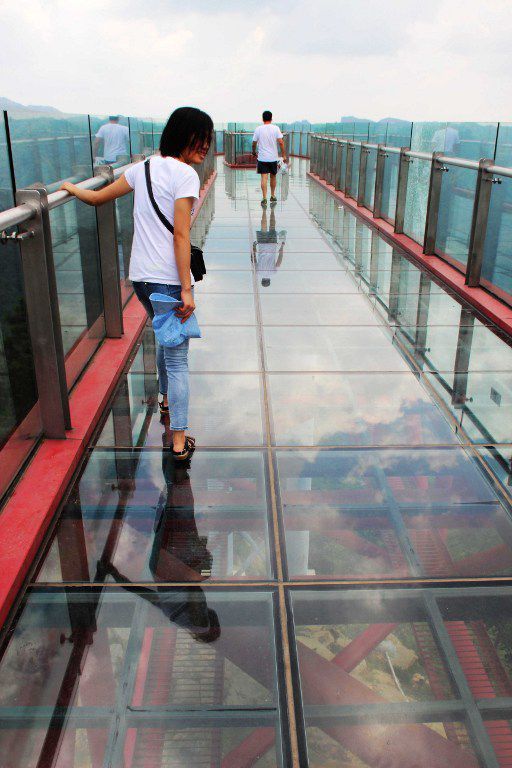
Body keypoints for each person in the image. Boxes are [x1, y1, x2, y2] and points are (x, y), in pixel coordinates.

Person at [60, 106, 214, 460]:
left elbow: (98, 198)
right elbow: (180, 234)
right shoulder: (185, 175)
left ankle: (163, 400)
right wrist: (186, 289)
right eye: (200, 138)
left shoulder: (141, 168)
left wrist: (70, 187)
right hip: (169, 281)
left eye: (208, 139)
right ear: (182, 135)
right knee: (177, 360)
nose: (205, 145)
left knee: (164, 336)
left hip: (141, 278)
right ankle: (178, 440)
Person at [252, 110, 287, 207]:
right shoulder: (276, 128)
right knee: (273, 176)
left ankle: (264, 198)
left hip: (262, 158)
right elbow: (281, 142)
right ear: (271, 118)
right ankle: (272, 195)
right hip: (273, 158)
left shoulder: (258, 129)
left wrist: (253, 151)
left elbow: (254, 142)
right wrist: (284, 155)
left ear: (263, 119)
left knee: (264, 177)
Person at [252, 208, 286, 287]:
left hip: (272, 245)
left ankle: (272, 209)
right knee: (263, 228)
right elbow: (254, 259)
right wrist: (254, 247)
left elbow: (279, 261)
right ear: (262, 280)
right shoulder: (258, 272)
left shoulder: (273, 273)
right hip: (262, 245)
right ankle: (264, 210)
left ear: (269, 280)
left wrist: (282, 247)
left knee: (272, 227)